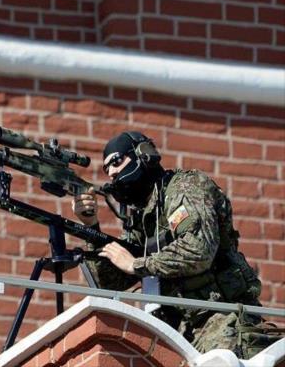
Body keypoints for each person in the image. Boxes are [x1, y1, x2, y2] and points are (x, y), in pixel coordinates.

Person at [72, 131, 276, 358]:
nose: (111, 173)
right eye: (106, 170)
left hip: (222, 320)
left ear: (144, 154)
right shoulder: (143, 218)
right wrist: (90, 227)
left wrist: (138, 264)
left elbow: (198, 250)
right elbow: (107, 284)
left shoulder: (185, 187)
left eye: (116, 162)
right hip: (178, 331)